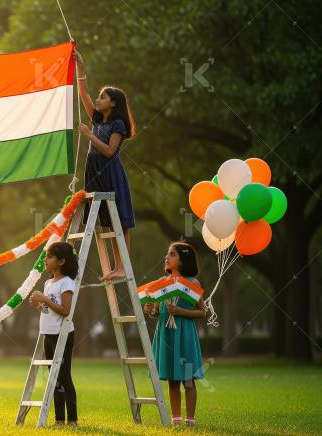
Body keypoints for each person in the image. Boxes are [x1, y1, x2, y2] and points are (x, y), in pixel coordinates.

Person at [75, 49, 136, 281]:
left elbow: (110, 151)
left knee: (120, 220)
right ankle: (115, 267)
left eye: (103, 97)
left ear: (113, 103)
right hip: (93, 171)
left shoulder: (118, 124)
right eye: (99, 96)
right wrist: (81, 65)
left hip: (110, 173)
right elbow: (83, 93)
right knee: (108, 222)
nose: (98, 99)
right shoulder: (98, 118)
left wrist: (89, 136)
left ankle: (123, 266)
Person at [144, 242, 206, 426]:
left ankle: (190, 421)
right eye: (167, 254)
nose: (167, 257)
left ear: (183, 259)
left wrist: (181, 312)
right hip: (166, 335)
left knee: (188, 379)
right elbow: (157, 311)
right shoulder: (162, 284)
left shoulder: (193, 284)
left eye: (172, 254)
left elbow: (202, 312)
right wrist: (150, 310)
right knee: (172, 379)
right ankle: (176, 420)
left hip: (184, 335)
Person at [29, 241, 79, 425]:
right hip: (48, 333)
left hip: (62, 334)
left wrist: (44, 299)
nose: (46, 259)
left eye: (50, 256)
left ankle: (72, 420)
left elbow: (65, 310)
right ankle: (59, 419)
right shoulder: (48, 282)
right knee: (53, 377)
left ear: (61, 261)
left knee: (64, 376)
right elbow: (48, 310)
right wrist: (39, 305)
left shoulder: (66, 283)